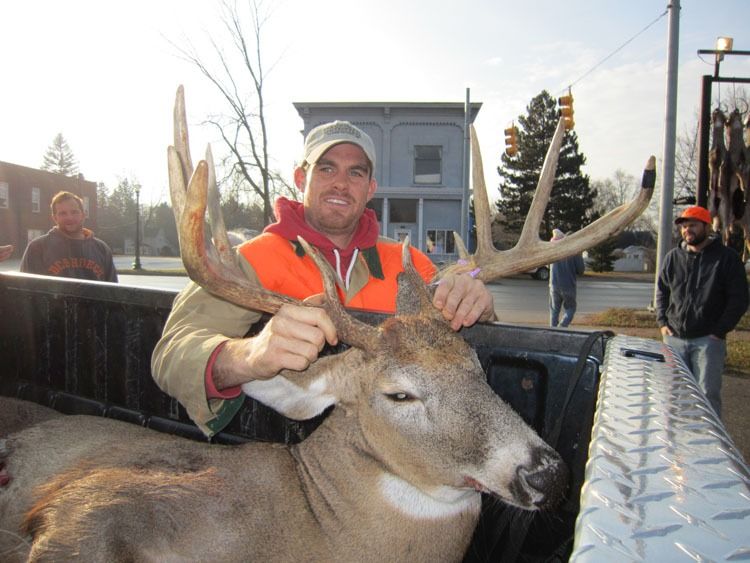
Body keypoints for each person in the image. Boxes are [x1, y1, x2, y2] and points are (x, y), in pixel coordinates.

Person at [152, 120, 497, 437]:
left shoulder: (411, 264)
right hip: (288, 457)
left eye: (355, 172)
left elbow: (457, 355)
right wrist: (249, 355)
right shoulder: (250, 262)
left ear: (370, 188)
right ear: (300, 179)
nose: (341, 184)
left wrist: (476, 309)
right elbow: (170, 354)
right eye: (326, 168)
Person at [656, 205, 748, 418]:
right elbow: (661, 292)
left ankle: (707, 438)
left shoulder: (726, 258)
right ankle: (678, 433)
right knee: (674, 393)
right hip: (674, 339)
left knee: (707, 395)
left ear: (707, 227)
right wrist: (662, 322)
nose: (687, 230)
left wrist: (719, 331)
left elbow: (739, 299)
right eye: (684, 226)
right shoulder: (673, 258)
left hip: (708, 341)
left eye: (693, 225)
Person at [20, 191, 118, 282]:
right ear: (55, 218)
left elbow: (113, 290)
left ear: (83, 215)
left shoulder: (102, 249)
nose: (69, 217)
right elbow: (24, 289)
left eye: (74, 212)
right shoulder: (37, 248)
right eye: (63, 213)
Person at [548, 229, 585, 328]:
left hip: (554, 284)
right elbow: (581, 270)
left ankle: (553, 330)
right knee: (571, 308)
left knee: (554, 310)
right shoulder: (575, 251)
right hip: (568, 286)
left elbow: (548, 265)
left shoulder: (554, 249)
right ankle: (562, 327)